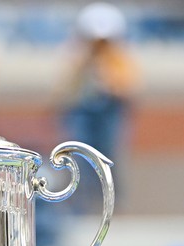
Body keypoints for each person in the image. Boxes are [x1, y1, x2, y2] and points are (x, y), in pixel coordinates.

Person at [60, 3, 138, 191]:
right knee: (79, 157)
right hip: (81, 111)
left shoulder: (120, 58)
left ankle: (111, 197)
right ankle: (82, 199)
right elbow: (66, 87)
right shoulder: (77, 56)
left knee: (110, 156)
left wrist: (108, 80)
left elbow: (128, 87)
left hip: (109, 111)